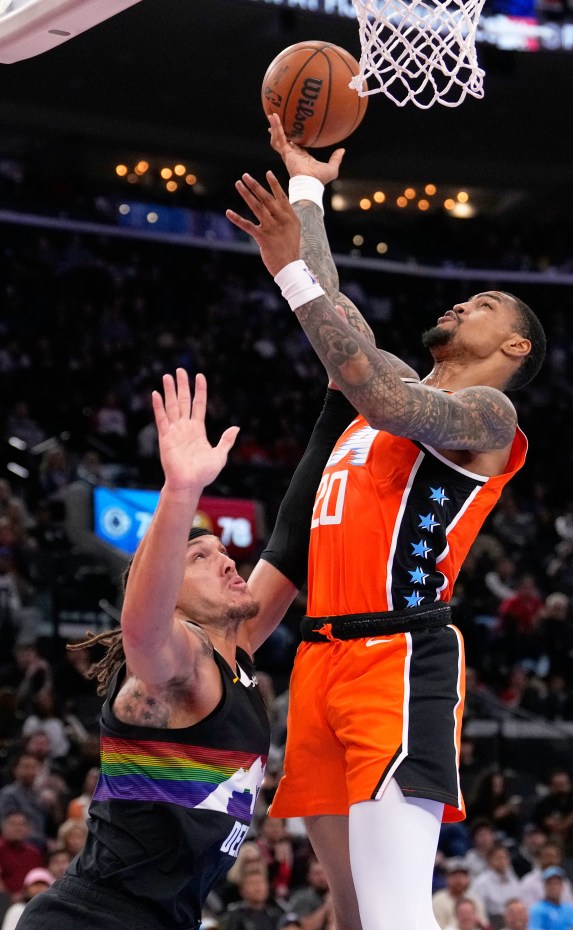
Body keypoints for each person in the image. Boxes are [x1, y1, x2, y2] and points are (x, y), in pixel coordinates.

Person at [226, 114, 546, 930]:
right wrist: (305, 186)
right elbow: (342, 328)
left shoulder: (486, 414)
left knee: (399, 913)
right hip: (321, 658)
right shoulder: (388, 385)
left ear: (512, 347)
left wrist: (288, 274)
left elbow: (379, 391)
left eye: (483, 305)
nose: (461, 302)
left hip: (399, 657)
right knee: (355, 911)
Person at [15, 368, 355, 930]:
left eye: (223, 550)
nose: (226, 559)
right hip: (91, 920)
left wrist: (339, 396)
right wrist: (181, 490)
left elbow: (292, 538)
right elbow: (142, 627)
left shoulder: (235, 649)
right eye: (200, 557)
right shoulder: (178, 663)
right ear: (169, 593)